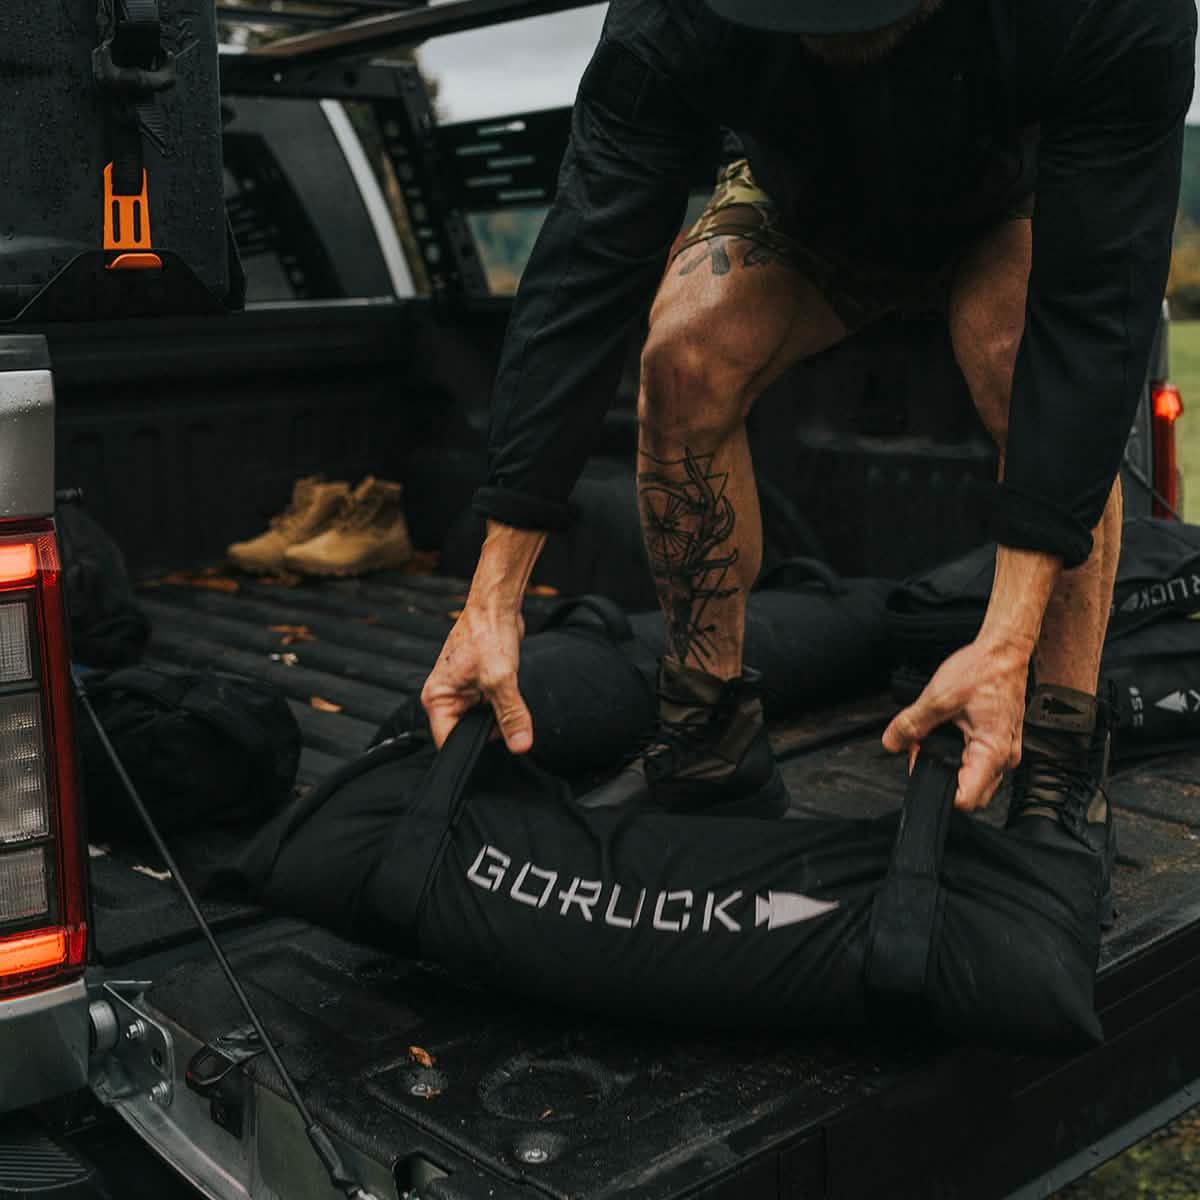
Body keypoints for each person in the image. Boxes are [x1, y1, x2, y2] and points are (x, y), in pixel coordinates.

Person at [421, 0, 1196, 912]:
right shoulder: (675, 17)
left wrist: (1004, 643)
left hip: (1011, 204)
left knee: (1018, 356)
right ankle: (710, 737)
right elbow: (587, 261)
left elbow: (1093, 322)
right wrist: (492, 597)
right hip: (808, 205)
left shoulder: (1110, 12)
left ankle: (1062, 759)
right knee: (684, 354)